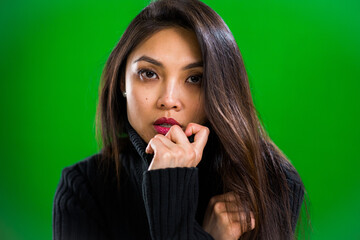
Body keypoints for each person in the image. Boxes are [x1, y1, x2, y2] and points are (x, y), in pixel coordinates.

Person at [53, 0, 305, 239]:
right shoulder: (84, 188)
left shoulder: (271, 183)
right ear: (122, 81)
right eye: (149, 73)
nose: (169, 100)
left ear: (220, 88)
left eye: (195, 79)